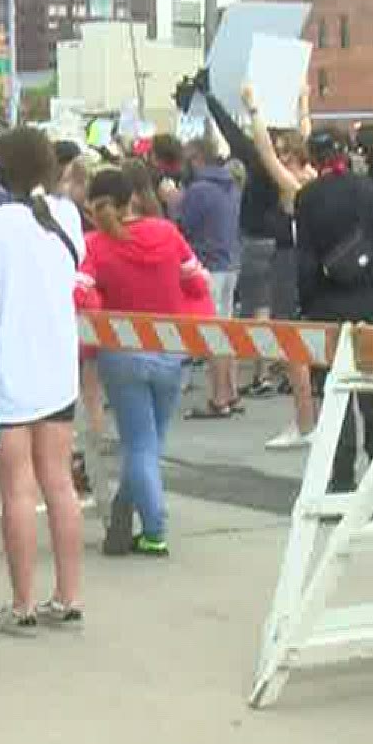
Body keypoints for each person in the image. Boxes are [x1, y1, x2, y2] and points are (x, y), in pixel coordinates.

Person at [0, 128, 86, 632]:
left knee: (17, 489)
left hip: (6, 369)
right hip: (56, 368)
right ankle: (68, 595)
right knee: (59, 482)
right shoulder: (65, 216)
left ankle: (21, 603)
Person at [83, 167, 211, 556]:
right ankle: (132, 516)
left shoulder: (94, 244)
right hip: (170, 352)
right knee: (150, 443)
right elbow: (198, 281)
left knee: (138, 444)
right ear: (135, 197)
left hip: (121, 355)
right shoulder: (166, 233)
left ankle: (153, 527)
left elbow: (81, 294)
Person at [195, 72, 318, 446]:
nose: (278, 156)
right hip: (302, 261)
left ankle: (304, 421)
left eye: (284, 153)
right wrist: (303, 103)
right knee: (304, 344)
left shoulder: (291, 185)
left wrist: (253, 107)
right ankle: (308, 417)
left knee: (292, 344)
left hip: (286, 259)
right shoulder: (313, 176)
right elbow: (303, 138)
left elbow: (262, 150)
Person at [295, 127, 373, 493]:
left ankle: (342, 476)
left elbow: (304, 259)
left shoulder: (307, 198)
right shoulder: (368, 190)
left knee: (336, 392)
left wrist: (305, 304)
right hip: (369, 297)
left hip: (326, 300)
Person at [176, 135, 244, 418]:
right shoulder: (231, 184)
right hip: (231, 262)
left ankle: (219, 398)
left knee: (214, 334)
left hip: (210, 264)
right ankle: (230, 390)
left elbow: (185, 227)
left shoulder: (199, 189)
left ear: (197, 159)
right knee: (226, 330)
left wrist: (173, 202)